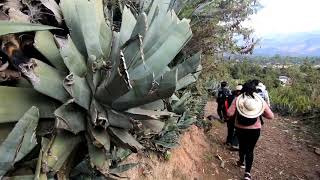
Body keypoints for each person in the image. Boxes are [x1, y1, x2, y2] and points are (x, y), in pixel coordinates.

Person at [227, 81, 274, 180]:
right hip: (255, 129)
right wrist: (260, 113)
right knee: (250, 150)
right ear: (255, 90)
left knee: (242, 146)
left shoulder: (238, 99)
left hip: (240, 128)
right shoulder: (260, 101)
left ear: (243, 89)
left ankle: (241, 161)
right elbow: (271, 116)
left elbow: (229, 113)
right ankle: (247, 173)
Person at [225, 84, 242, 149]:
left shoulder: (229, 97)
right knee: (237, 129)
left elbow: (225, 105)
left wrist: (226, 114)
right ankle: (233, 143)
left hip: (230, 115)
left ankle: (229, 141)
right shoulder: (241, 99)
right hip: (236, 116)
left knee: (230, 129)